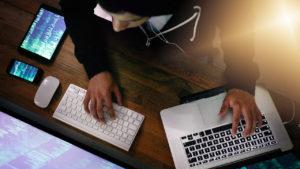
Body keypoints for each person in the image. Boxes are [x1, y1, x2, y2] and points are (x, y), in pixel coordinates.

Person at [60, 0, 262, 136]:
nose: (117, 27)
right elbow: (73, 6)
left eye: (131, 18)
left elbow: (239, 25)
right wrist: (96, 67)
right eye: (112, 15)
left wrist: (241, 82)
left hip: (191, 55)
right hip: (132, 53)